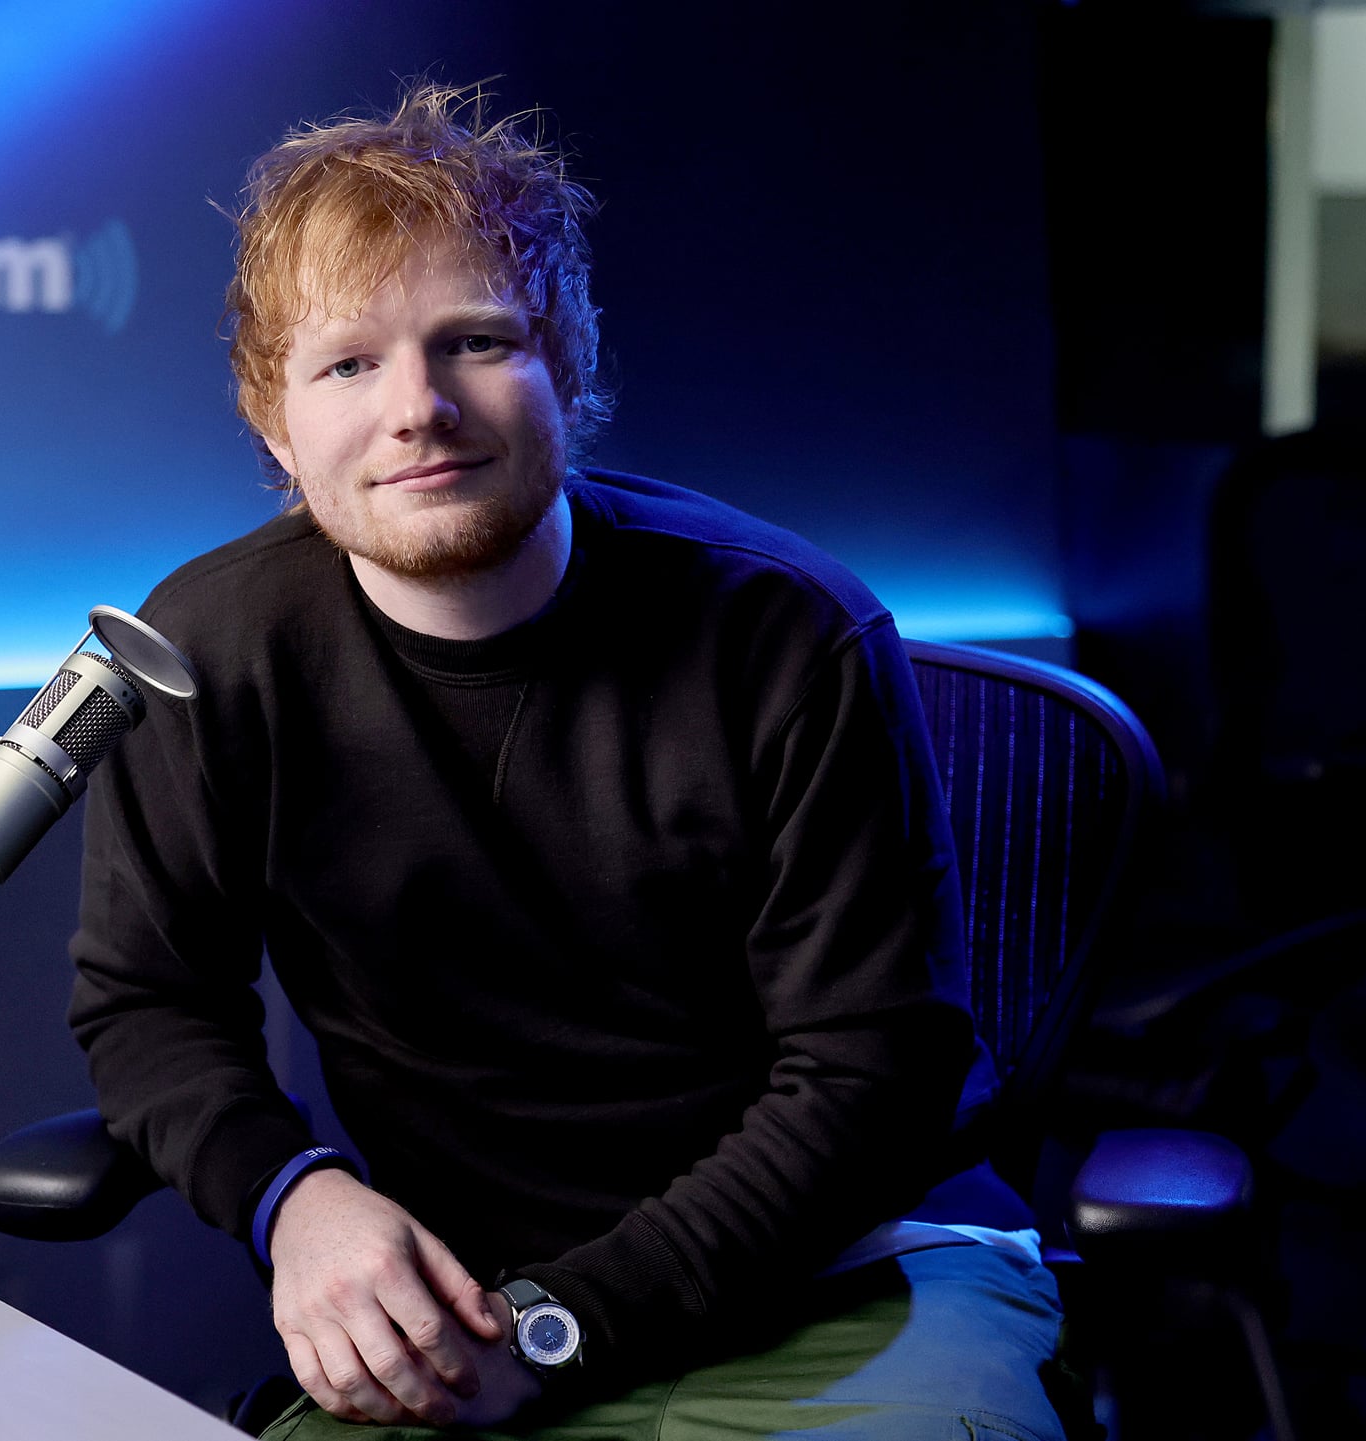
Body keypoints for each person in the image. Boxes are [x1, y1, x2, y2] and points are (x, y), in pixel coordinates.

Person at [68, 83, 1076, 1440]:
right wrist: (293, 1195)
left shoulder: (789, 633)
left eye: (474, 341)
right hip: (473, 1307)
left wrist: (564, 1324)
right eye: (348, 363)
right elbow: (148, 1000)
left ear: (570, 368)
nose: (417, 407)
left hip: (855, 1264)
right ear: (272, 418)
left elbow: (866, 1082)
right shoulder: (206, 648)